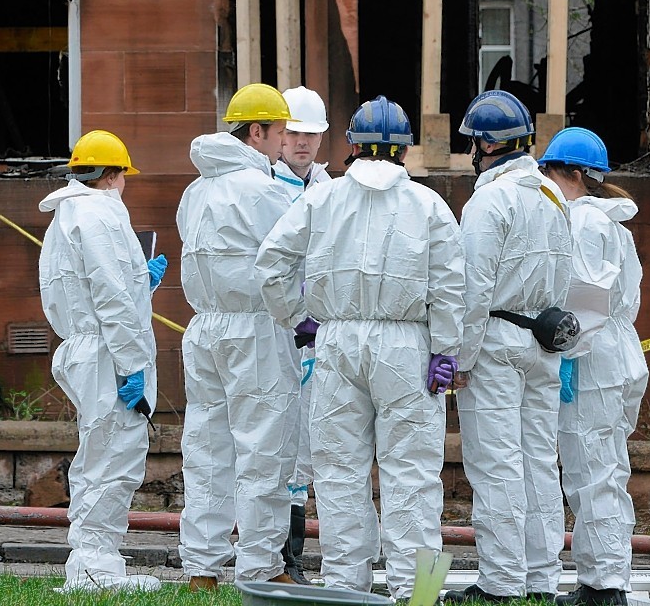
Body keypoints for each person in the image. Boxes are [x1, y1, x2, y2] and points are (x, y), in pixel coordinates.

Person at [256, 96, 466, 602]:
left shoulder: (321, 199)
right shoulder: (428, 204)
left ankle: (346, 590)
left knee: (338, 472)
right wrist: (447, 352)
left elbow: (271, 263)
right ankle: (420, 595)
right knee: (414, 476)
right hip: (408, 345)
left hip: (336, 341)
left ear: (351, 145)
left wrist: (299, 319)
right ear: (405, 149)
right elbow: (453, 285)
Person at [452, 90, 574, 605]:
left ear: (486, 144)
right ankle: (541, 579)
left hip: (497, 340)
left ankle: (501, 582)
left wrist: (458, 358)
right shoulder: (552, 197)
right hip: (544, 342)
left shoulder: (489, 200)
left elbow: (473, 290)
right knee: (540, 463)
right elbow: (567, 277)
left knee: (495, 462)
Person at [177, 83, 299, 591]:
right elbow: (288, 260)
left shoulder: (196, 189)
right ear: (257, 131)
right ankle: (261, 567)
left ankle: (201, 569)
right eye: (279, 134)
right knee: (263, 450)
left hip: (204, 328)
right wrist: (300, 313)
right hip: (256, 329)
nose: (283, 145)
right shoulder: (261, 190)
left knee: (206, 450)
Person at [38, 129, 168, 594]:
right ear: (112, 175)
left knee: (98, 453)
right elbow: (113, 299)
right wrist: (133, 365)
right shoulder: (102, 216)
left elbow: (88, 292)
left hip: (86, 347)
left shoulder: (68, 215)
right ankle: (97, 570)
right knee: (114, 457)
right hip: (108, 355)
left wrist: (142, 284)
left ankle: (91, 562)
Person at [537, 128, 648, 606]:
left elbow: (583, 306)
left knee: (592, 472)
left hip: (592, 361)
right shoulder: (614, 225)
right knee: (604, 470)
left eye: (551, 173)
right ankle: (602, 579)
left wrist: (562, 355)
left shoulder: (583, 223)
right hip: (616, 355)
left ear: (574, 175)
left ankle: (604, 588)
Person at [274, 85, 331, 582]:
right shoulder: (264, 186)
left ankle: (292, 555)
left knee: (311, 445)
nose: (302, 142)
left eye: (311, 134)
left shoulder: (331, 189)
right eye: (293, 132)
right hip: (274, 332)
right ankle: (277, 556)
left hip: (322, 335)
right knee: (276, 444)